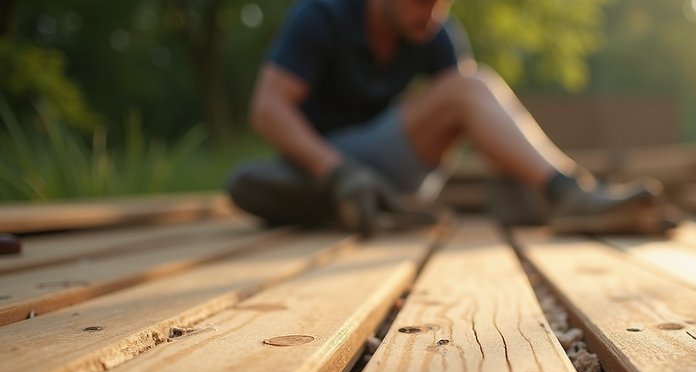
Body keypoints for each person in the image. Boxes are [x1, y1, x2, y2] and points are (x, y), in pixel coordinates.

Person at [227, 0, 664, 235]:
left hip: (392, 171)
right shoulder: (322, 14)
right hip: (330, 160)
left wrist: (517, 183)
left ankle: (565, 196)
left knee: (472, 88)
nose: (433, 13)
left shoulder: (433, 30)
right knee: (467, 87)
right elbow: (267, 109)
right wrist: (337, 171)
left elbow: (480, 117)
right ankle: (568, 194)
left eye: (443, 1)